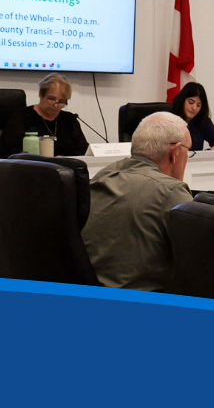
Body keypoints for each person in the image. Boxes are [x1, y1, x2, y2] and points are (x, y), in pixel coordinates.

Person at [81, 112, 193, 292]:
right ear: (175, 152)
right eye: (189, 151)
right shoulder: (171, 191)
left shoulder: (103, 175)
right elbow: (199, 261)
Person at [0, 74, 88, 158]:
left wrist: (64, 158)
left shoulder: (69, 120)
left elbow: (83, 151)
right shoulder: (22, 117)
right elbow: (5, 150)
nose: (56, 105)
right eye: (52, 99)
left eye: (61, 101)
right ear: (41, 94)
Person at [171, 82, 214, 151]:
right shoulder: (167, 118)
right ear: (182, 100)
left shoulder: (202, 119)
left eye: (198, 105)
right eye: (191, 102)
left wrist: (207, 153)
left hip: (196, 161)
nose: (194, 108)